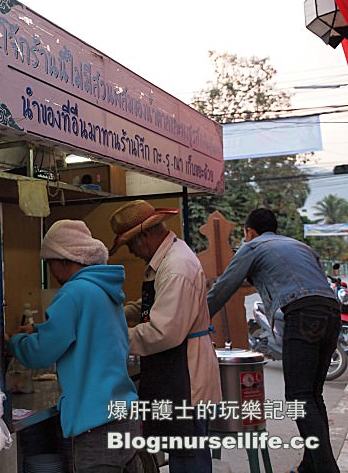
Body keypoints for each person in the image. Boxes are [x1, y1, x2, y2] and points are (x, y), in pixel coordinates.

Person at [207, 207, 340, 473]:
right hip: (332, 311)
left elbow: (223, 289)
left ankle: (326, 469)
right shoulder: (300, 247)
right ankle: (310, 467)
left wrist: (194, 320)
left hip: (302, 313)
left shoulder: (254, 247)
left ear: (249, 231)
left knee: (300, 397)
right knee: (313, 395)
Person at [7, 219, 139, 472]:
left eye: (49, 262)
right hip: (124, 416)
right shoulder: (105, 290)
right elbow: (85, 330)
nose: (50, 269)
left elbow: (41, 352)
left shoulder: (73, 292)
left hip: (96, 422)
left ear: (64, 259)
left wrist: (14, 342)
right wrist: (36, 329)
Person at [108, 200, 221, 473]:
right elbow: (154, 305)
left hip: (185, 375)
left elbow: (163, 331)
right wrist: (121, 313)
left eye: (131, 245)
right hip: (175, 370)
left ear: (144, 236)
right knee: (183, 450)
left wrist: (110, 337)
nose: (133, 252)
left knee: (187, 454)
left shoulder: (176, 266)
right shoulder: (167, 259)